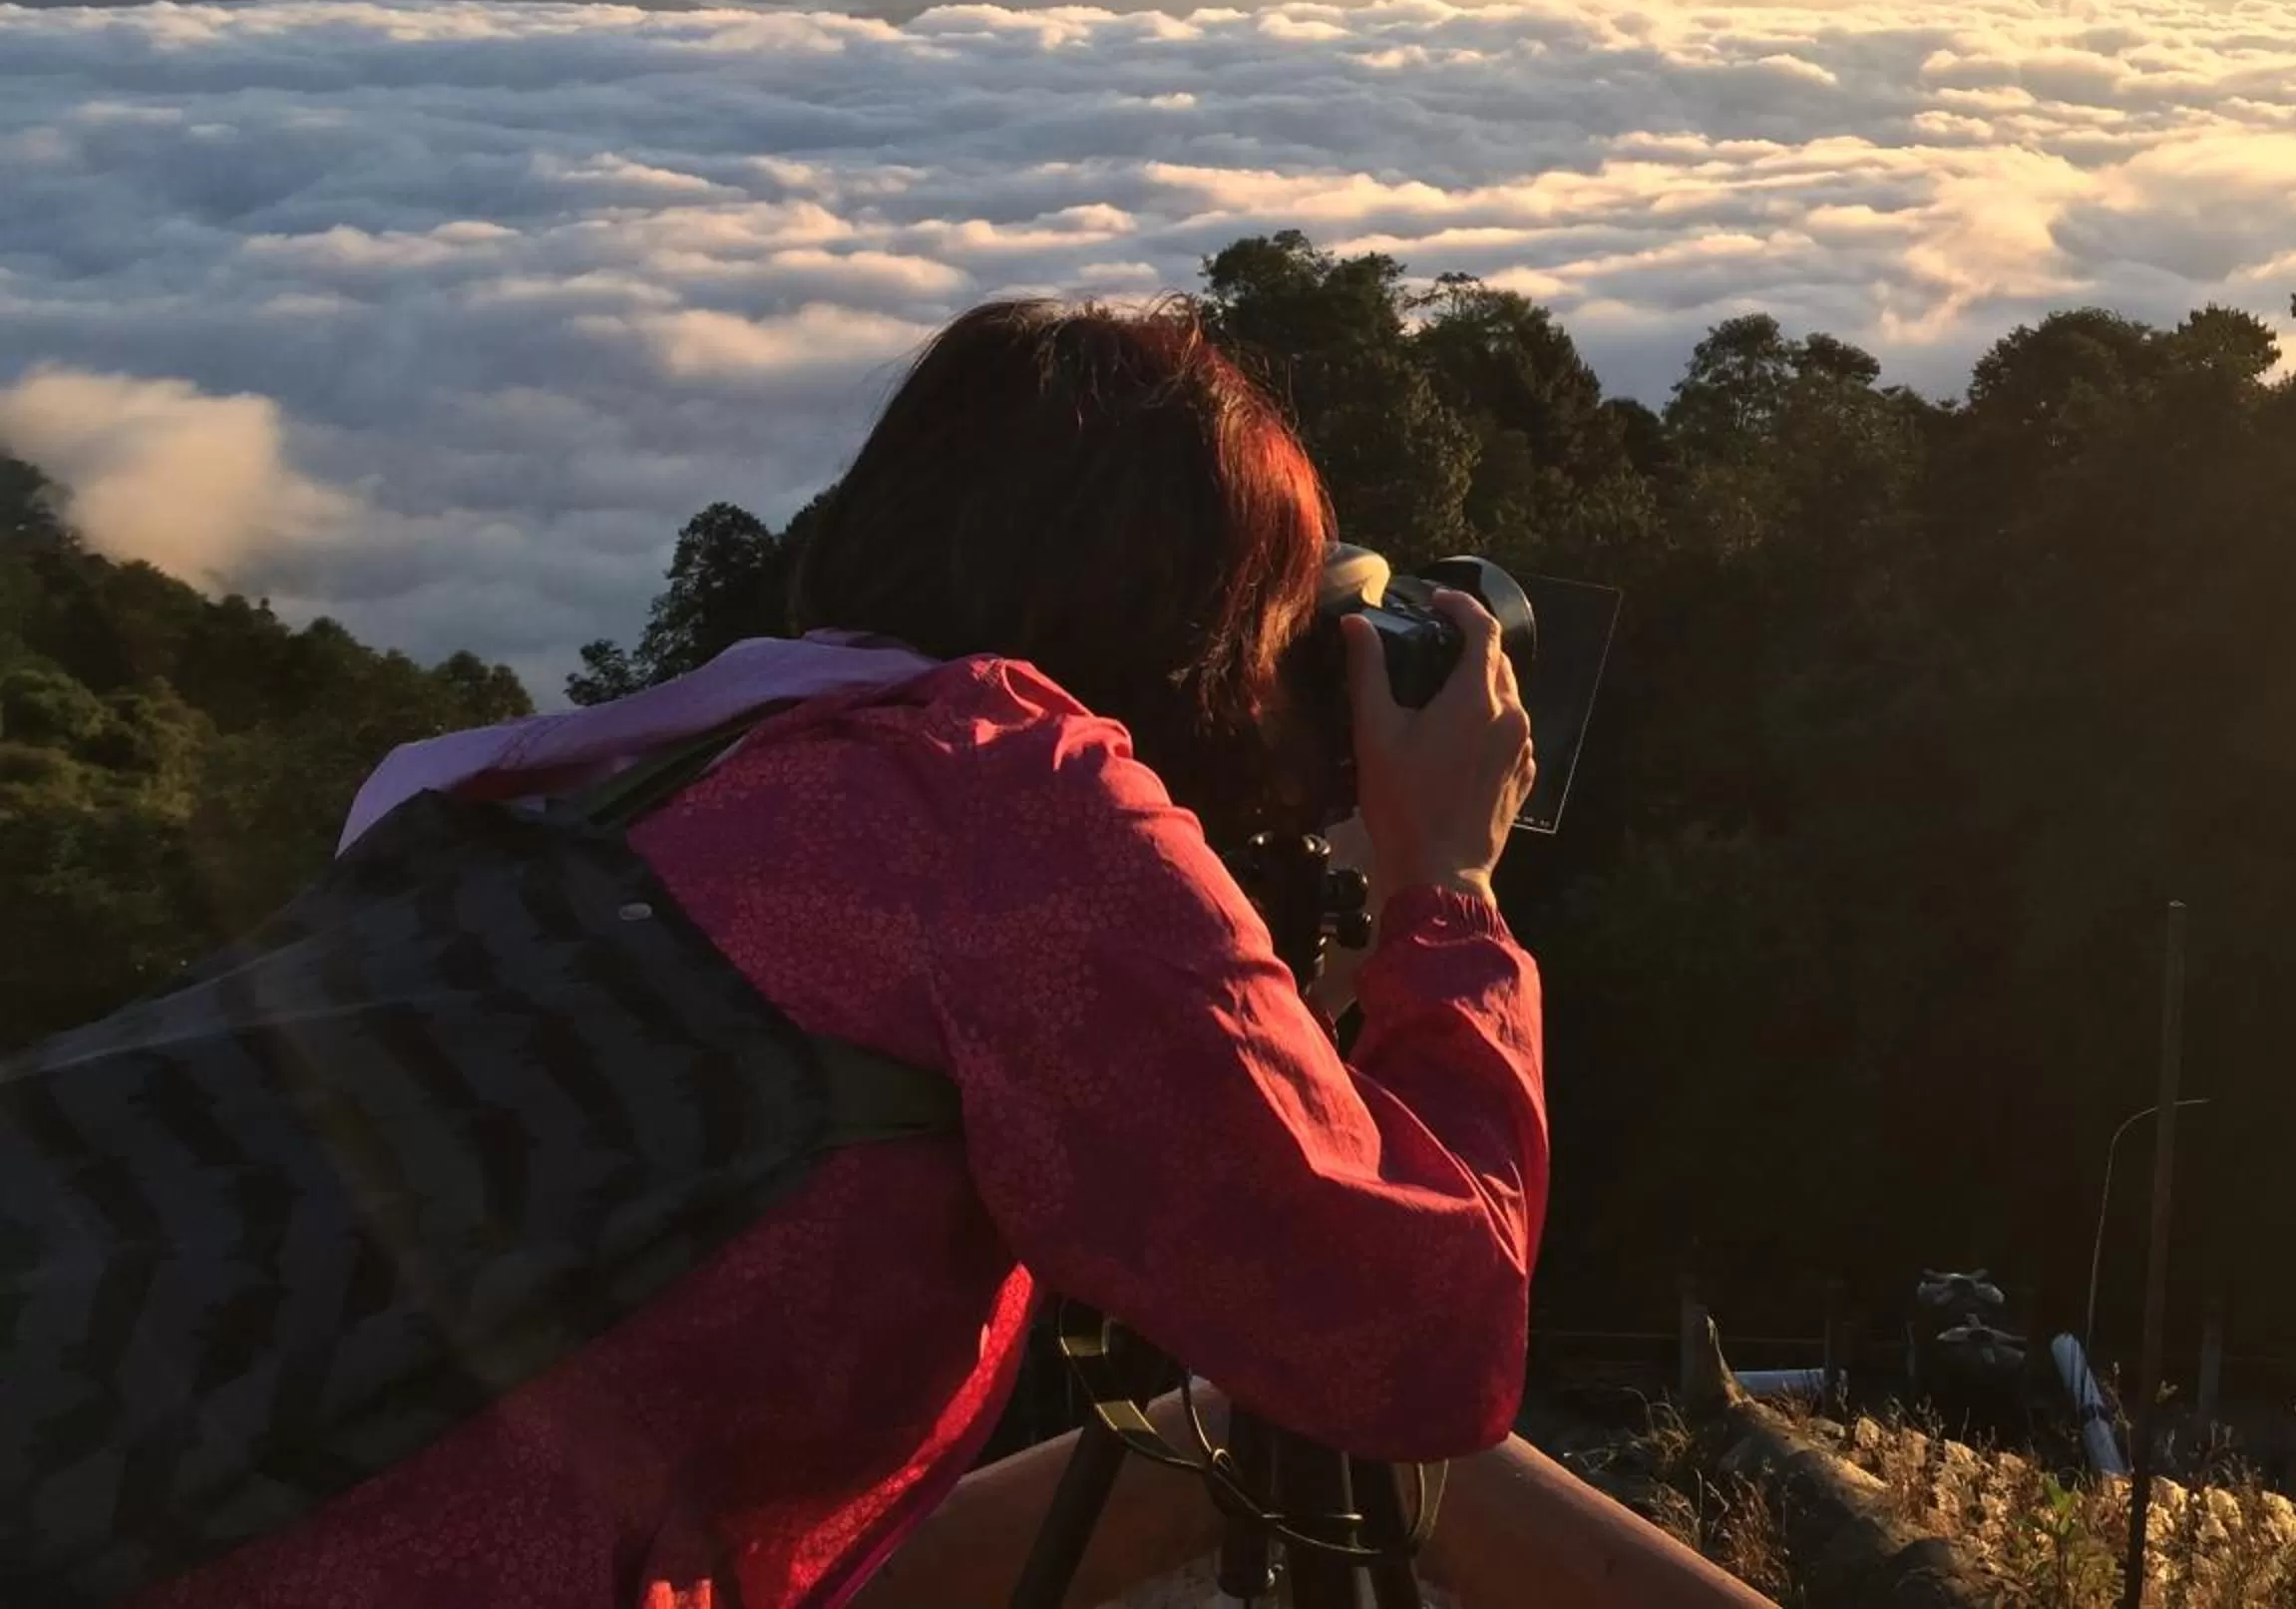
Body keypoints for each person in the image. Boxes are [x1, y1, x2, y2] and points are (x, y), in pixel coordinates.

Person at [147, 297, 1546, 1609]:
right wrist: (1450, 881)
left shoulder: (627, 766)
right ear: (1195, 627)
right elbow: (1425, 1339)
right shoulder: (1020, 817)